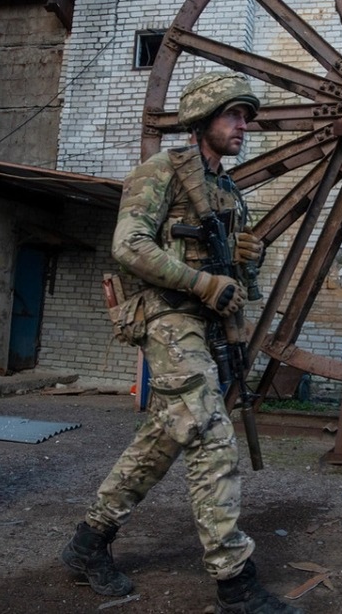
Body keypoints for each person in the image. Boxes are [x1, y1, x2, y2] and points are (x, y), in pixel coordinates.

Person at [59, 71, 299, 614]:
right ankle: (234, 583)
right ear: (202, 121)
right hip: (166, 316)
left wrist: (245, 266)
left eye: (246, 116)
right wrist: (203, 282)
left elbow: (238, 288)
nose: (244, 126)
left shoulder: (228, 193)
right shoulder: (160, 172)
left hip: (206, 323)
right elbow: (129, 246)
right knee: (211, 431)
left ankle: (87, 544)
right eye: (234, 115)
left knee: (163, 435)